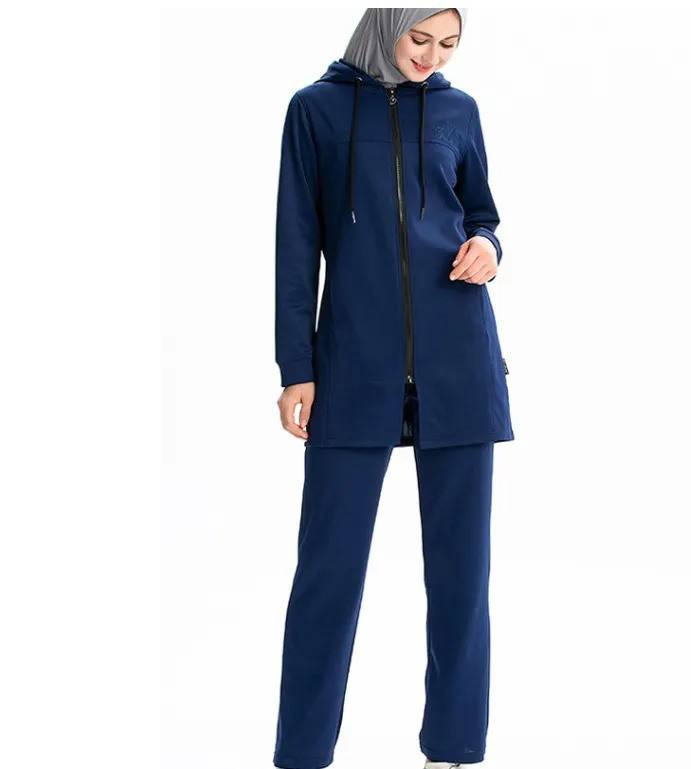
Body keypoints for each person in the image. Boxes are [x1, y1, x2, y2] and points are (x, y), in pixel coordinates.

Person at [273, 9, 514, 769]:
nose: (431, 57)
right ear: (385, 24)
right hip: (352, 365)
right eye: (419, 38)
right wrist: (296, 367)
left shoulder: (458, 110)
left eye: (448, 45)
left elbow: (482, 214)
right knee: (327, 572)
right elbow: (295, 245)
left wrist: (488, 246)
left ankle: (455, 748)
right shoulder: (314, 110)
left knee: (462, 577)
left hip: (460, 361)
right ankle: (302, 752)